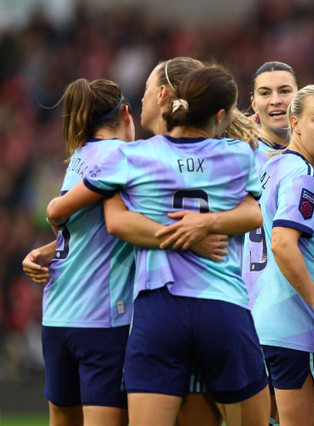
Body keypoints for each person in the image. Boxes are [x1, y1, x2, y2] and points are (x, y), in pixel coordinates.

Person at [46, 65, 270, 426]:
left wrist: (173, 231)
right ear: (220, 115)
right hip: (223, 308)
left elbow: (112, 221)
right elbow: (253, 214)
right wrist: (202, 226)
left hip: (158, 309)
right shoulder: (238, 154)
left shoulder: (131, 157)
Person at [32, 78, 135, 426]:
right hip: (101, 317)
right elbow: (58, 213)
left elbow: (74, 227)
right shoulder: (120, 155)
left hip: (57, 314)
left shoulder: (80, 155)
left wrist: (47, 248)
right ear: (126, 112)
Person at [246, 61, 314, 426]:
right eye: (265, 93)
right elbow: (284, 242)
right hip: (286, 316)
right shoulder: (250, 158)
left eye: (284, 91)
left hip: (265, 317)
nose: (276, 101)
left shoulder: (285, 163)